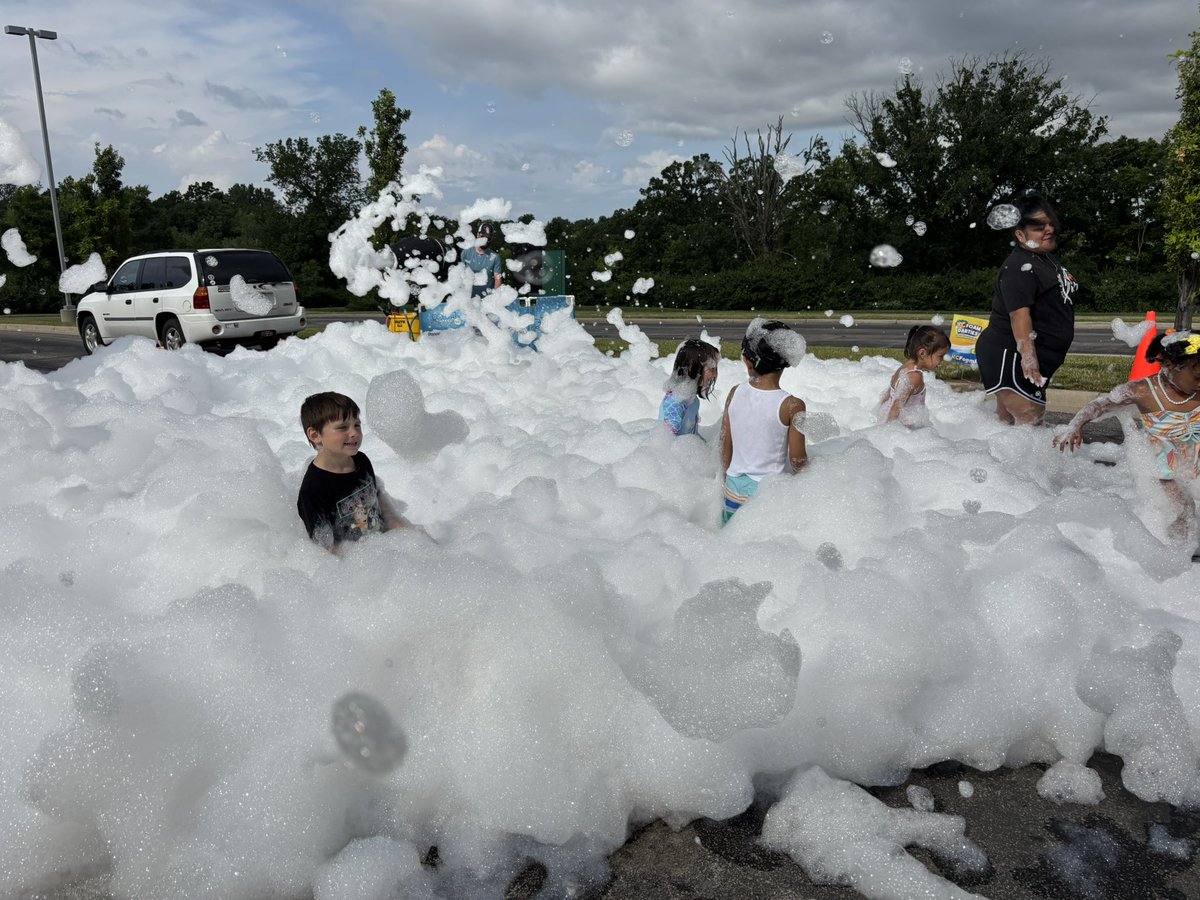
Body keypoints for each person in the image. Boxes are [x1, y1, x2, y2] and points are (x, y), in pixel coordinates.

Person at [1054, 331, 1200, 550]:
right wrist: (1075, 425)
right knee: (1182, 510)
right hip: (1166, 465)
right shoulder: (1144, 391)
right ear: (1168, 365)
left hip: (1195, 460)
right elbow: (1100, 404)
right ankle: (1177, 557)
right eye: (1197, 377)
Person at [974, 195, 1079, 425]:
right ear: (1020, 235)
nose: (1049, 229)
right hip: (1011, 355)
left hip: (1026, 358)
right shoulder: (1020, 267)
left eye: (1050, 223)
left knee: (1006, 427)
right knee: (1030, 421)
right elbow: (1018, 314)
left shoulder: (1045, 259)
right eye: (1038, 226)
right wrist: (1028, 358)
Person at [720, 320, 807, 523]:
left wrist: (723, 478)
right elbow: (798, 461)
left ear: (746, 360)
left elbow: (725, 444)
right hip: (766, 494)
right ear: (787, 359)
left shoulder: (735, 392)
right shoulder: (792, 405)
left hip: (732, 488)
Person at [297, 392, 406, 550]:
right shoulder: (313, 489)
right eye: (342, 427)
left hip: (384, 544)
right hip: (355, 560)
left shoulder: (361, 461)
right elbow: (327, 548)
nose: (354, 433)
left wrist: (397, 525)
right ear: (315, 435)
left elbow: (377, 497)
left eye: (357, 425)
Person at [879, 325, 951, 425]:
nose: (942, 361)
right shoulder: (915, 376)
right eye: (940, 356)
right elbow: (896, 407)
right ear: (922, 353)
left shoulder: (905, 367)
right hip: (901, 427)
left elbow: (887, 397)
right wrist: (889, 432)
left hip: (888, 418)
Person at [658, 338, 721, 436]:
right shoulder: (675, 402)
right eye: (711, 368)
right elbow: (666, 442)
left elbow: (691, 438)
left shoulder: (692, 400)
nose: (714, 375)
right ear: (692, 367)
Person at [460, 222, 502, 298]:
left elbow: (497, 279)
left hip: (487, 300)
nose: (485, 240)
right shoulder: (466, 252)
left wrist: (496, 299)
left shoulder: (495, 257)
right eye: (482, 236)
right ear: (477, 235)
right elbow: (460, 276)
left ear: (491, 238)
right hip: (469, 300)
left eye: (488, 237)